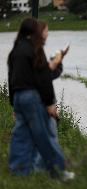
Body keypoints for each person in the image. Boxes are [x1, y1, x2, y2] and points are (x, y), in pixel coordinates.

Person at [7, 17, 73, 180]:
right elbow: (43, 79)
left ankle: (18, 171)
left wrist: (13, 104)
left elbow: (11, 79)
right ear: (35, 32)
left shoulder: (16, 50)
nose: (46, 34)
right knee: (44, 136)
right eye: (44, 31)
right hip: (32, 97)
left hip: (18, 97)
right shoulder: (34, 49)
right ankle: (58, 172)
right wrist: (50, 103)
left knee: (20, 136)